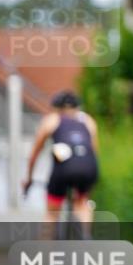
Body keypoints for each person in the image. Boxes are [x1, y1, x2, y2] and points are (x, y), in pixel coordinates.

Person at [23, 90, 100, 237]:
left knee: (52, 212)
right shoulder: (88, 121)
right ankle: (86, 237)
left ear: (56, 108)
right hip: (88, 166)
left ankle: (45, 249)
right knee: (82, 203)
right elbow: (94, 152)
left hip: (64, 169)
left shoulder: (53, 120)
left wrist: (29, 178)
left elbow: (34, 154)